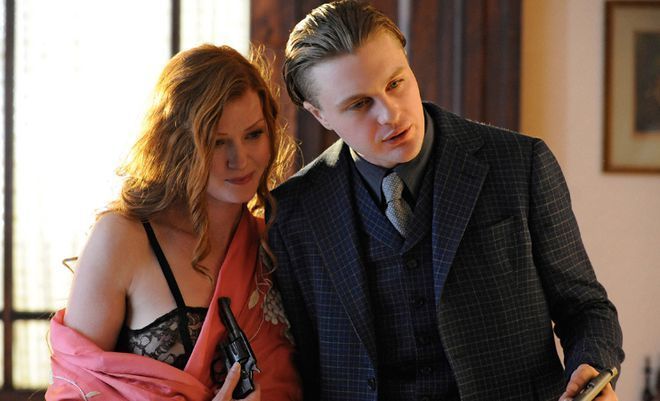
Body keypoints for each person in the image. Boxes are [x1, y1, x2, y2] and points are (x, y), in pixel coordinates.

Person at [268, 1, 624, 401]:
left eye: (395, 83)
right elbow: (300, 369)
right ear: (319, 115)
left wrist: (592, 369)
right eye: (360, 104)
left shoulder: (520, 164)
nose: (390, 114)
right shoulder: (292, 213)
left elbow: (585, 308)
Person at [47, 44, 301, 401]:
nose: (240, 159)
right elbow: (72, 391)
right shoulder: (124, 238)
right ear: (177, 145)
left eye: (254, 134)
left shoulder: (276, 241)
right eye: (217, 142)